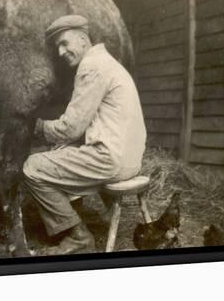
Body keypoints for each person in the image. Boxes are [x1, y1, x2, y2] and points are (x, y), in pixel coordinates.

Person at [23, 14, 147, 255]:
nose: (60, 52)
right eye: (58, 46)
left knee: (33, 167)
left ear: (82, 39)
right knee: (60, 152)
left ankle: (77, 237)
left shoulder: (91, 67)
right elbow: (86, 125)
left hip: (111, 160)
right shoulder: (108, 62)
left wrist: (35, 127)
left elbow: (71, 127)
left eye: (64, 43)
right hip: (131, 159)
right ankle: (72, 221)